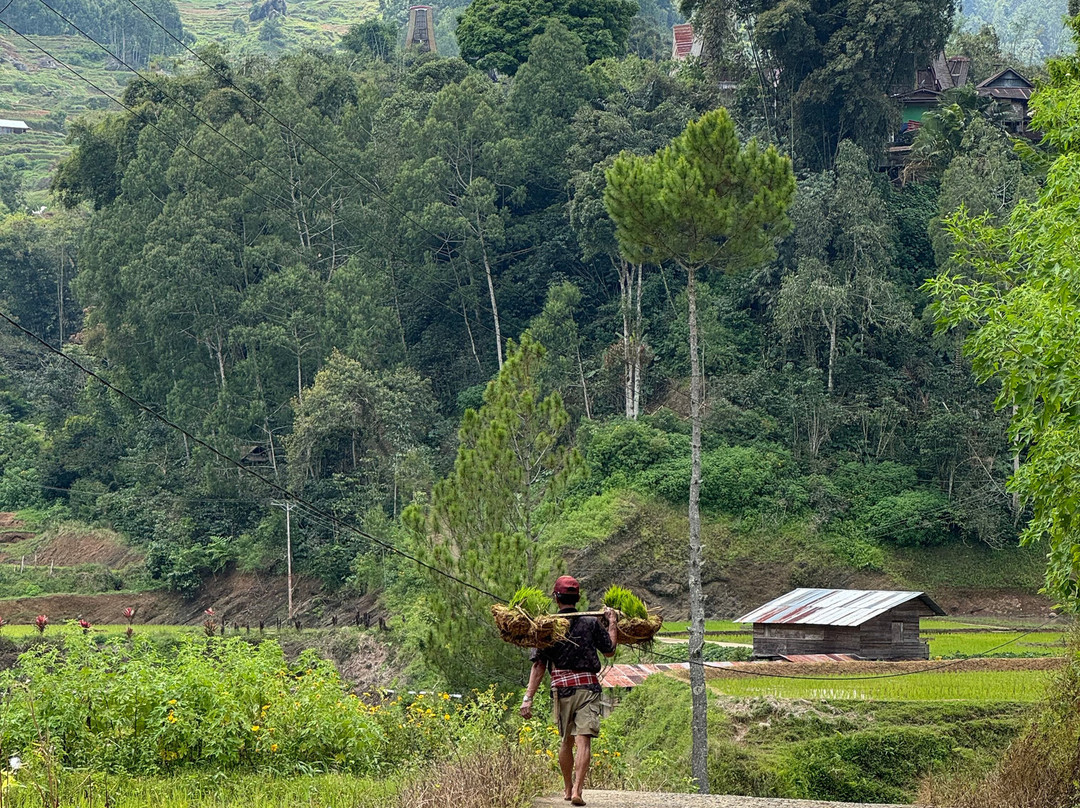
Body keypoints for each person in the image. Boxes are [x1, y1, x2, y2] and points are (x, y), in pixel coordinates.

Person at [520, 575, 618, 806]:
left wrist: (528, 699)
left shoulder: (546, 627)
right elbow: (610, 651)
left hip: (562, 690)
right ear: (578, 598)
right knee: (583, 740)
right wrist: (612, 623)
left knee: (566, 740)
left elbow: (539, 665)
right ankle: (577, 790)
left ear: (556, 598)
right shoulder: (590, 623)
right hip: (587, 688)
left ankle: (566, 788)